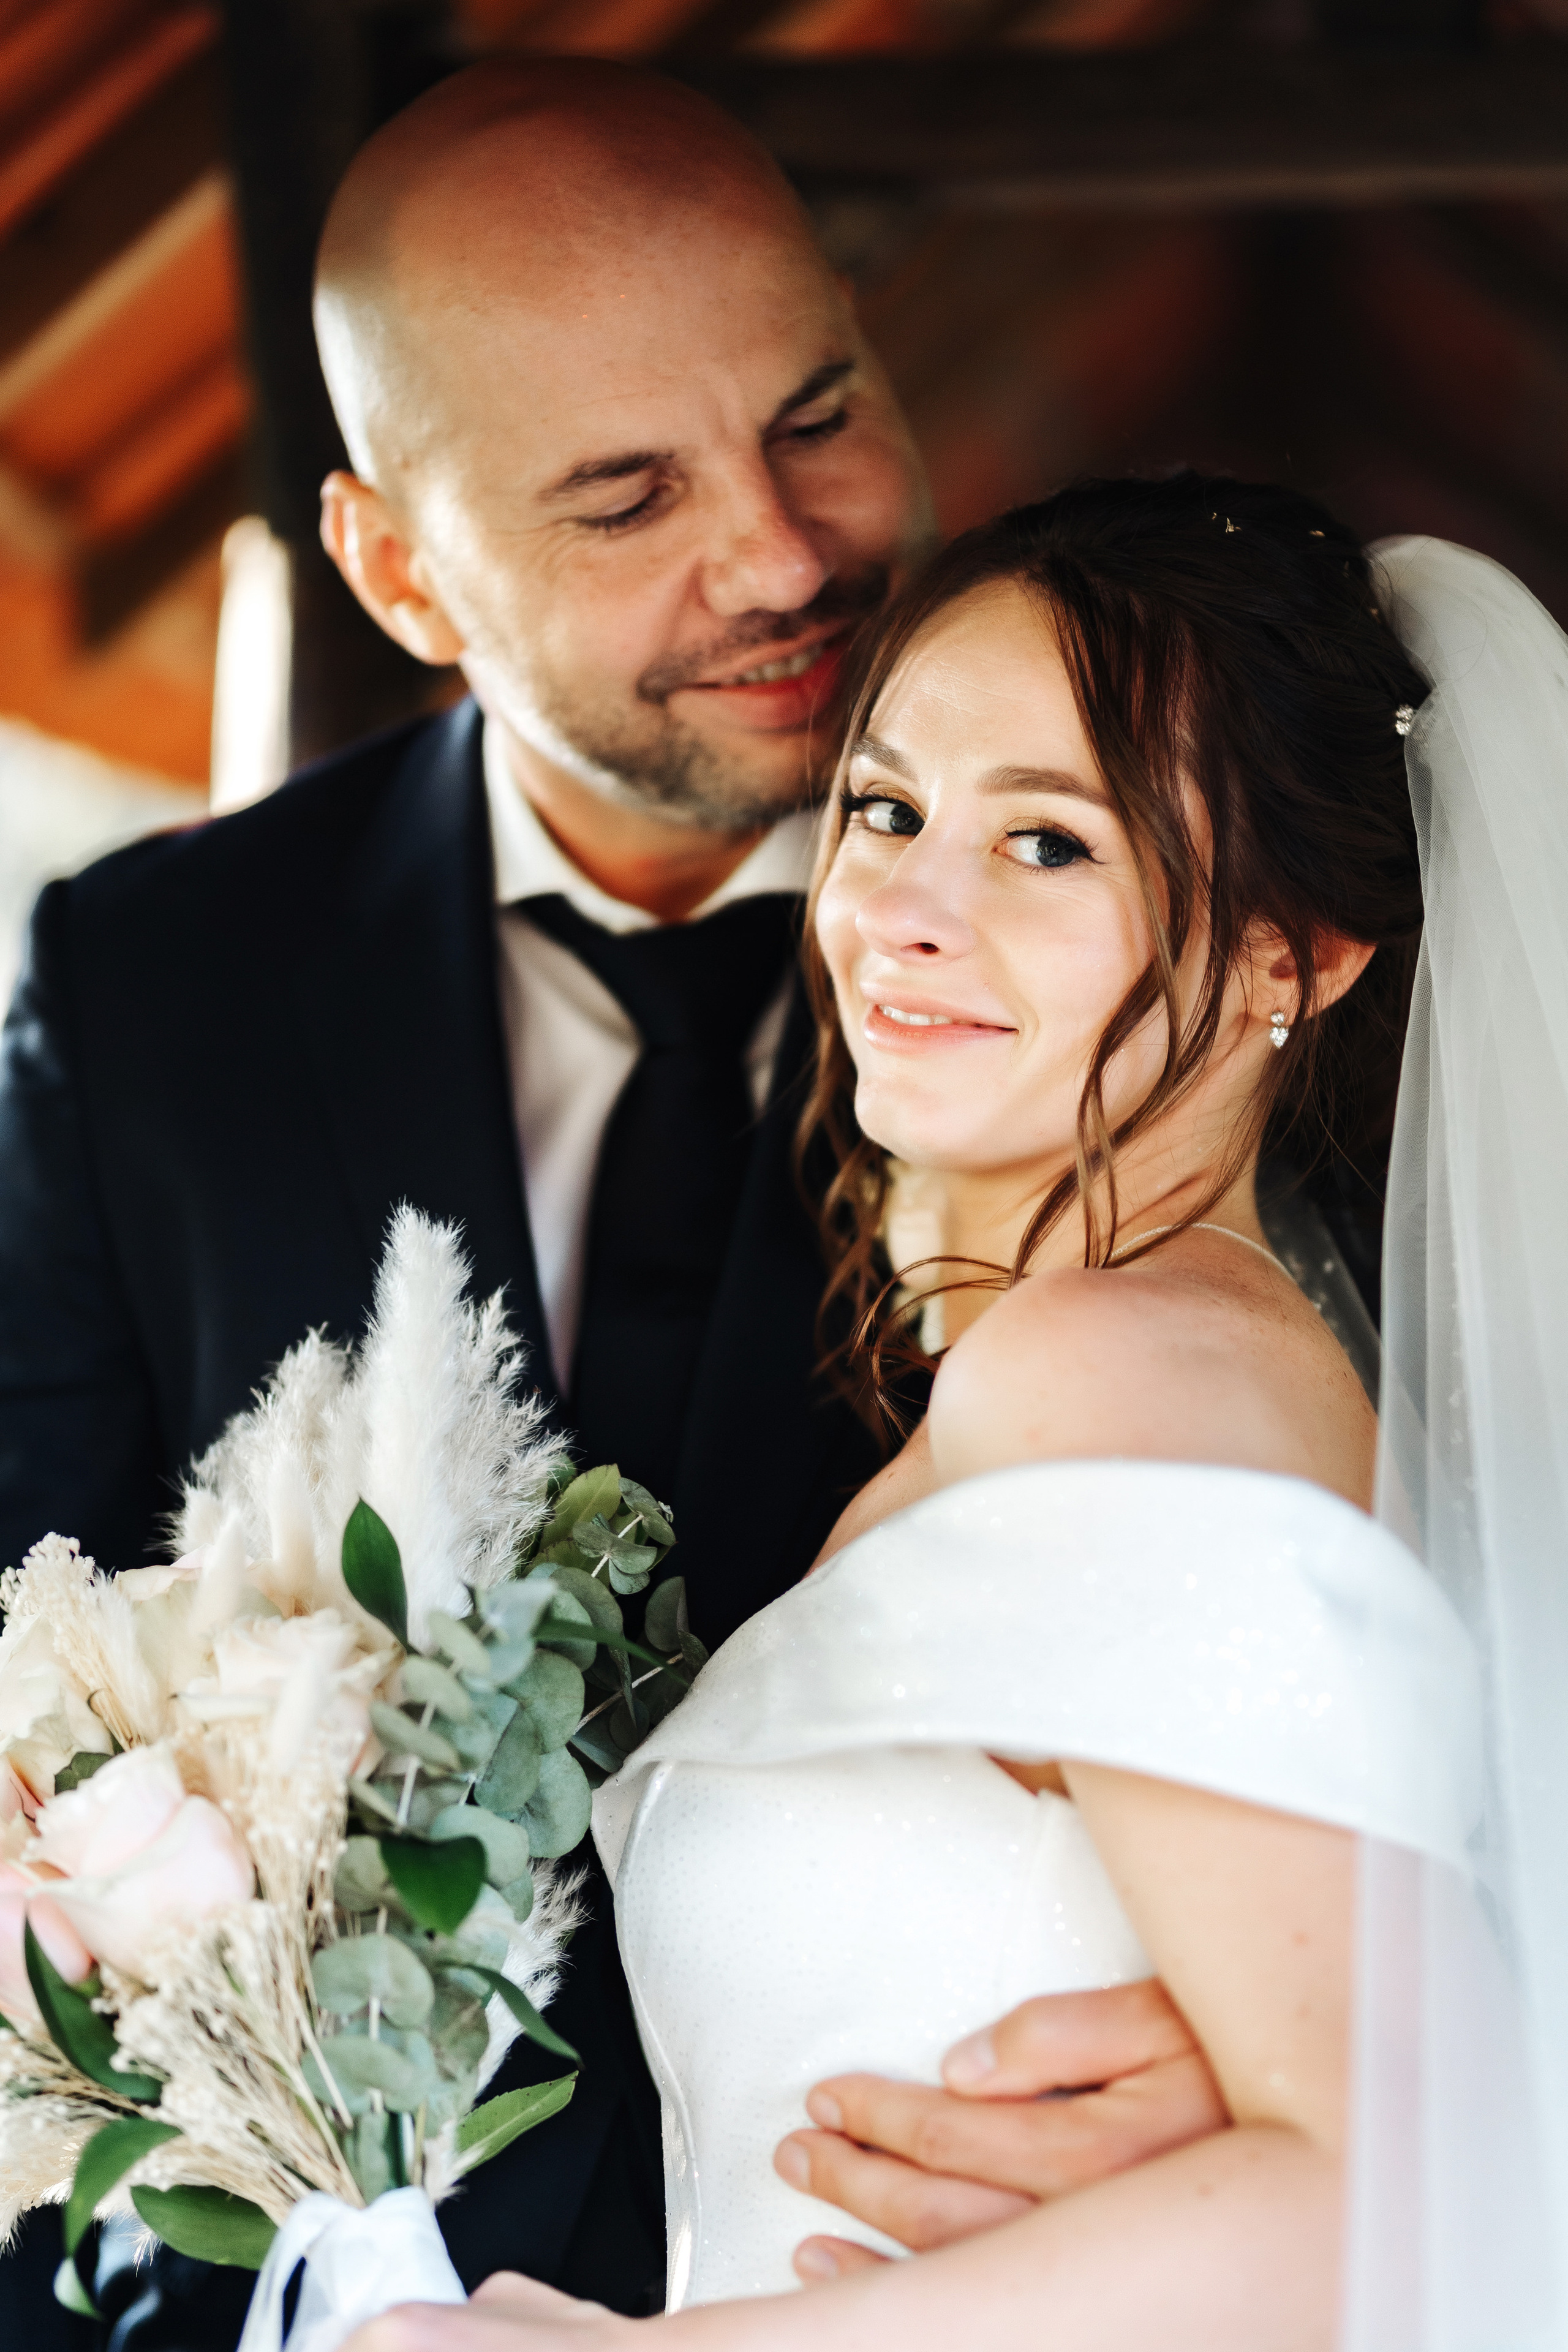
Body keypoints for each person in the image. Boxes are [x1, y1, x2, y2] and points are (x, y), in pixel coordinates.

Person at [0, 61, 1232, 2347]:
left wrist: (1297, 2034)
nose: (778, 555)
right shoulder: (147, 985)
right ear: (398, 567)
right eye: (622, 493)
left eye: (817, 411)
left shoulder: (1193, 930)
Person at [333, 474, 1517, 2352]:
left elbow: (1403, 2189)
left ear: (1299, 951)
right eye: (885, 810)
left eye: (1050, 845)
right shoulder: (1086, 1370)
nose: (899, 909)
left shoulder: (1114, 1372)